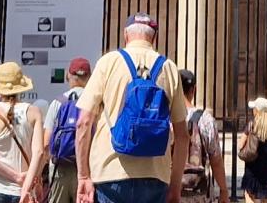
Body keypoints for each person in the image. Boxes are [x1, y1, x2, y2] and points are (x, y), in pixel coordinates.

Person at [76, 12, 191, 203]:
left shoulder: (109, 62)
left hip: (110, 171)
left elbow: (83, 123)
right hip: (155, 174)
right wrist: (175, 186)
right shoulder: (168, 68)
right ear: (154, 37)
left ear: (125, 35)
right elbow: (182, 136)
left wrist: (83, 176)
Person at [0, 62, 49, 203]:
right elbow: (39, 152)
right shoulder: (34, 112)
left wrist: (16, 176)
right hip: (22, 191)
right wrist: (28, 186)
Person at [47, 57, 95, 203]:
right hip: (88, 169)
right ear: (89, 76)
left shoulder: (58, 103)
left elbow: (45, 143)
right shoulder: (96, 102)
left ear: (68, 75)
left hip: (60, 169)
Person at [180, 68, 230, 203]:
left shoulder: (165, 117)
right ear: (194, 90)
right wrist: (223, 190)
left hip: (171, 191)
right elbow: (216, 160)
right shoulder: (205, 119)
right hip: (199, 193)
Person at [238, 97, 267, 203]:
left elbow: (240, 144)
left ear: (257, 110)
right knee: (265, 198)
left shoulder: (252, 124)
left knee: (249, 195)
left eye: (254, 108)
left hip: (253, 167)